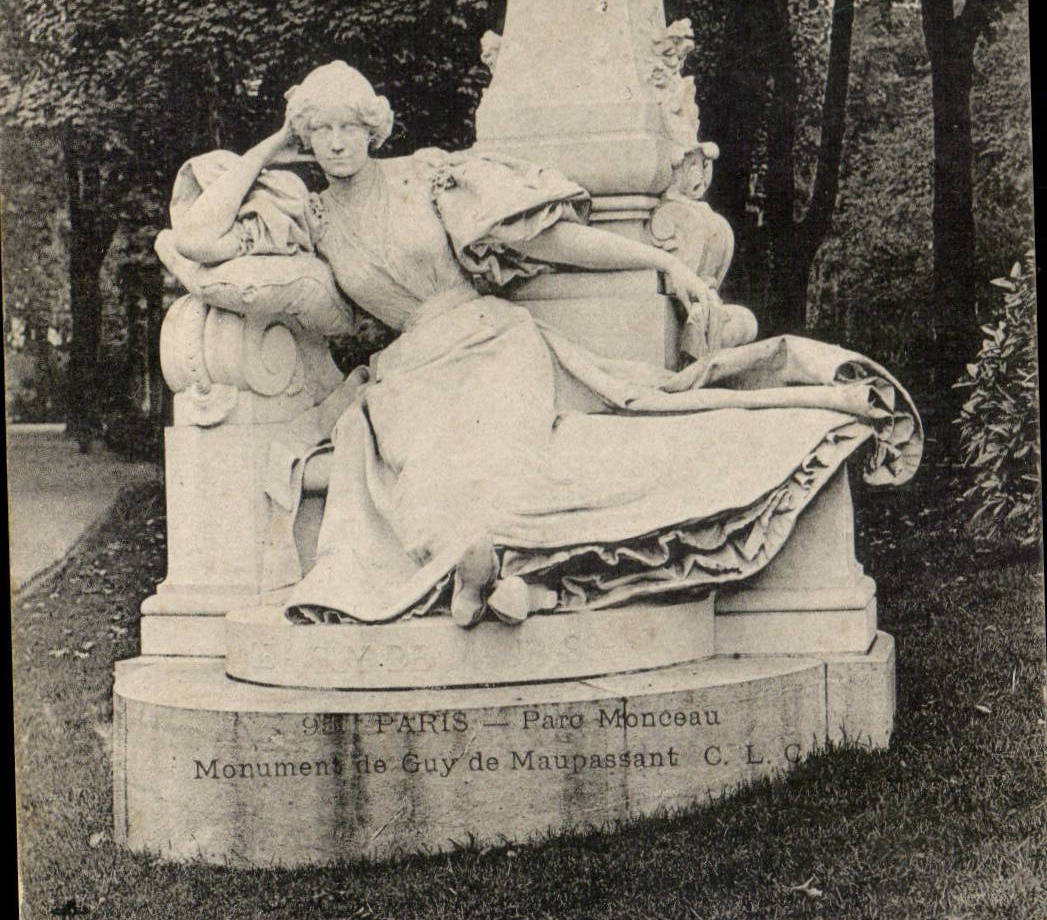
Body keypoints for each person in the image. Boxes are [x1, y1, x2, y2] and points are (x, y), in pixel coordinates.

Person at [171, 61, 921, 628]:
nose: (334, 144)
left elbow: (557, 241)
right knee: (427, 464)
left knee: (506, 454)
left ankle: (511, 574)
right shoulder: (312, 218)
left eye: (347, 127)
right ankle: (501, 577)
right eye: (319, 130)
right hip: (406, 370)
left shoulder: (431, 178)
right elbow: (200, 238)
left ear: (373, 129)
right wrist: (271, 146)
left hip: (489, 341)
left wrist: (662, 261)